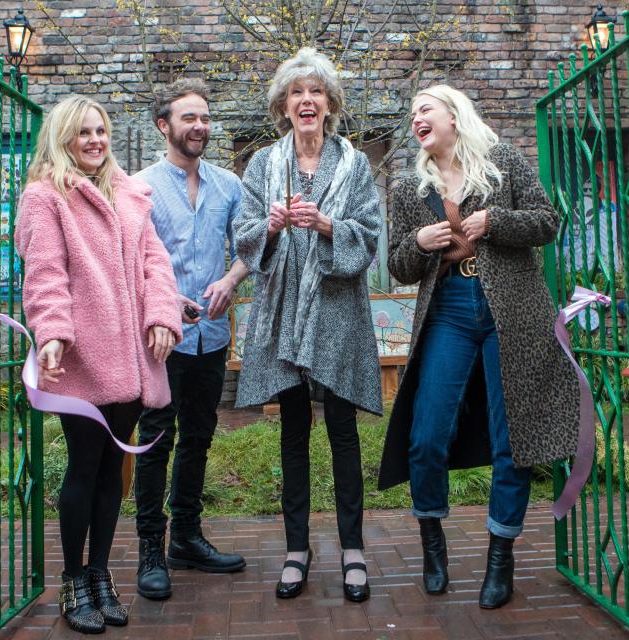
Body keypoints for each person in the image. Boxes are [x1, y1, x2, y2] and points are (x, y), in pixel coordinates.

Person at [377, 85, 580, 608]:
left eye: (425, 108)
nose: (416, 118)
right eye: (412, 113)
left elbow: (546, 222)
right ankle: (432, 542)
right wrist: (419, 245)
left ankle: (500, 557)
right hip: (448, 311)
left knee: (511, 438)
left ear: (453, 114)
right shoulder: (407, 188)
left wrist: (496, 221)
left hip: (509, 310)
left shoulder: (503, 163)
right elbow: (399, 266)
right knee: (425, 436)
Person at [16, 95, 182, 633]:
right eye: (83, 132)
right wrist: (53, 332)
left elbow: (157, 262)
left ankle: (101, 574)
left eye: (101, 131)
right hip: (85, 357)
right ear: (63, 138)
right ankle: (72, 580)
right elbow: (46, 271)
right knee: (85, 467)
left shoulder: (132, 194)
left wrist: (162, 316)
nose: (95, 141)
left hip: (135, 357)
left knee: (115, 470)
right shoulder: (46, 197)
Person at [234, 47, 382, 603]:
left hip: (338, 313)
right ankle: (297, 549)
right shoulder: (263, 165)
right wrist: (269, 228)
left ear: (330, 102)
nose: (306, 101)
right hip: (282, 316)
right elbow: (243, 235)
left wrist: (326, 225)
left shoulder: (355, 164)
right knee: (292, 434)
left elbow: (368, 236)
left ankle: (352, 550)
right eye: (296, 92)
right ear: (283, 104)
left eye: (316, 91)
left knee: (342, 432)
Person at [132, 78, 250, 601]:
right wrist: (161, 302)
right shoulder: (140, 187)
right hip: (162, 338)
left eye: (204, 117)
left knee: (199, 436)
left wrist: (230, 280)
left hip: (212, 335)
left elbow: (252, 245)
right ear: (165, 125)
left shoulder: (229, 185)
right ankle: (150, 551)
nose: (200, 126)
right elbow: (127, 262)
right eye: (189, 118)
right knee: (157, 440)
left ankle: (186, 537)